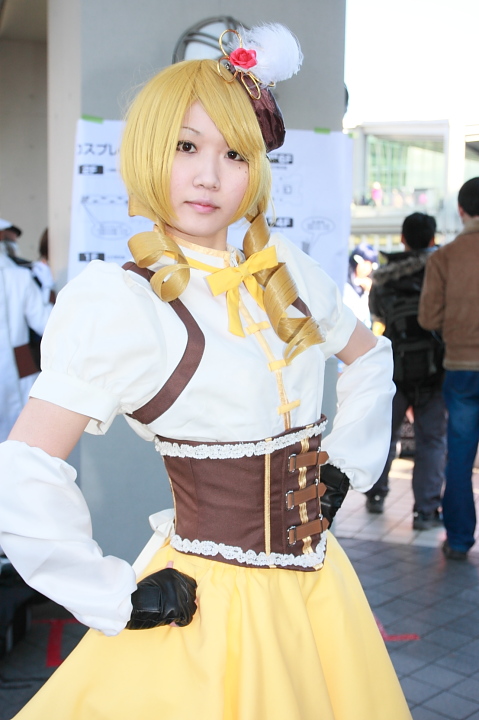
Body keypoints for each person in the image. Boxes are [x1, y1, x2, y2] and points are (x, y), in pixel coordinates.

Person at [0, 25, 412, 719]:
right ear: (148, 153)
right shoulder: (121, 301)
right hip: (210, 605)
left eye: (234, 153)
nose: (209, 176)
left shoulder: (284, 270)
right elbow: (24, 465)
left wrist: (343, 465)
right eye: (186, 147)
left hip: (319, 590)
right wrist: (109, 594)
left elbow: (371, 356)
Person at [364, 213, 446, 528]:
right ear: (432, 239)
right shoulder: (441, 269)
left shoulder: (385, 277)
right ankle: (425, 511)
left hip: (395, 366)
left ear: (402, 239)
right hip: (435, 368)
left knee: (385, 434)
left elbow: (377, 314)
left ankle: (375, 494)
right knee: (431, 441)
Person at [419, 177, 479, 560]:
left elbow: (428, 318)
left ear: (461, 211)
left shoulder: (444, 257)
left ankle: (458, 540)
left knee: (459, 459)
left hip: (461, 368)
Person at [0, 218, 52, 443]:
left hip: (17, 366)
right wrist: (48, 288)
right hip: (15, 369)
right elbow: (47, 323)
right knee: (19, 441)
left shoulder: (19, 275)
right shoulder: (19, 276)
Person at [342, 242, 378, 327]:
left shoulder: (371, 285)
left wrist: (369, 292)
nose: (366, 268)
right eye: (363, 262)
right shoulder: (344, 285)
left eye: (369, 264)